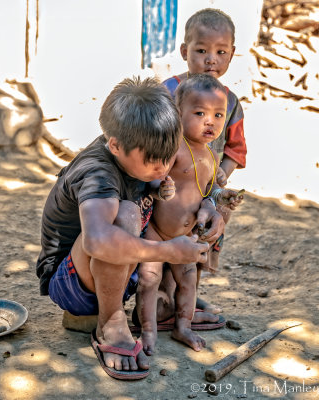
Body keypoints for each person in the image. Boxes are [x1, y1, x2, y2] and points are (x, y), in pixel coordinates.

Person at [36, 76, 225, 380]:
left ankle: (165, 308)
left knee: (146, 208)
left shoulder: (140, 146)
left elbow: (179, 185)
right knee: (126, 214)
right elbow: (97, 241)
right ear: (114, 145)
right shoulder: (97, 171)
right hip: (71, 284)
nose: (163, 168)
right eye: (153, 163)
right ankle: (110, 322)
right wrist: (168, 251)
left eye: (168, 158)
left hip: (121, 273)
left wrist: (209, 207)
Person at [135, 74, 243, 354]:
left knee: (189, 282)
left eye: (218, 115)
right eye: (200, 113)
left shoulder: (210, 156)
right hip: (158, 233)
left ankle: (183, 326)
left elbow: (205, 192)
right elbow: (152, 176)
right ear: (177, 113)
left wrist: (217, 200)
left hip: (186, 235)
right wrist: (161, 185)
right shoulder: (173, 147)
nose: (211, 122)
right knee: (149, 280)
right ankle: (148, 331)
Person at [162, 8, 247, 314]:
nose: (211, 59)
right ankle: (162, 296)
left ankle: (190, 293)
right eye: (201, 50)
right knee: (165, 238)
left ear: (231, 55)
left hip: (209, 192)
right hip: (170, 189)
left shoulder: (231, 102)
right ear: (185, 51)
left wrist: (222, 174)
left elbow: (236, 148)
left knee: (204, 237)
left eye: (220, 52)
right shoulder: (168, 91)